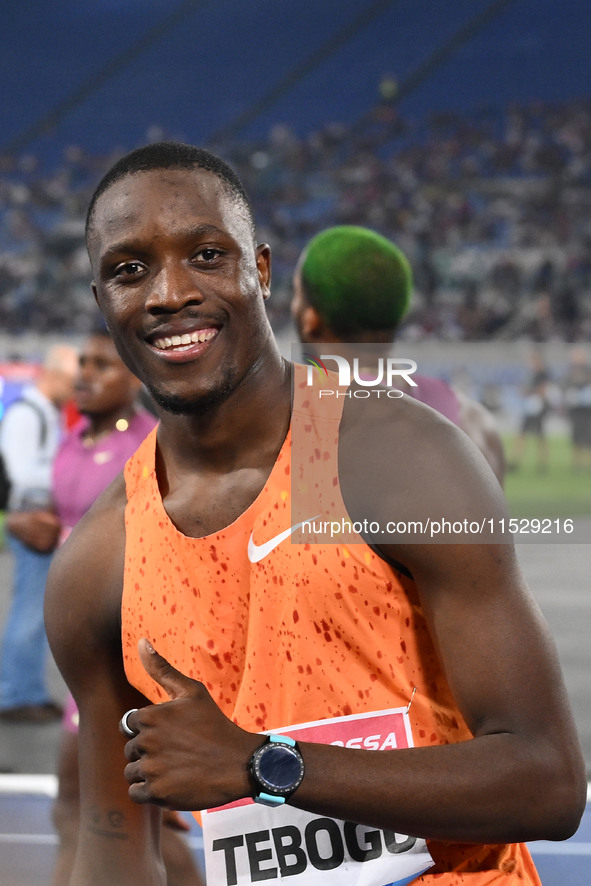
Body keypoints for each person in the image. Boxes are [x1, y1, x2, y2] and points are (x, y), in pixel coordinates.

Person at [44, 142, 585, 886]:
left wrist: (262, 764)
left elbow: (547, 780)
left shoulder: (396, 460)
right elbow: (114, 846)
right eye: (128, 270)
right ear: (102, 299)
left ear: (259, 270)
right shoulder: (97, 563)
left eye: (206, 254)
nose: (168, 292)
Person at [49, 326, 203, 886]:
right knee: (106, 813)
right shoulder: (75, 440)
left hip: (124, 644)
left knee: (100, 812)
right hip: (80, 643)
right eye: (83, 363)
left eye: (102, 365)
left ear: (135, 375)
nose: (85, 375)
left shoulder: (151, 446)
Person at [290, 225, 505, 485]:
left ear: (310, 318)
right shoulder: (476, 424)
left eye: (297, 293)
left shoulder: (277, 428)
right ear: (399, 311)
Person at [0, 343, 78, 721]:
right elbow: (19, 472)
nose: (77, 388)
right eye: (72, 380)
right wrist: (69, 475)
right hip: (30, 518)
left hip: (44, 516)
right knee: (29, 611)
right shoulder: (27, 414)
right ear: (55, 375)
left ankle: (28, 688)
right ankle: (14, 694)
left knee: (39, 612)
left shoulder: (47, 412)